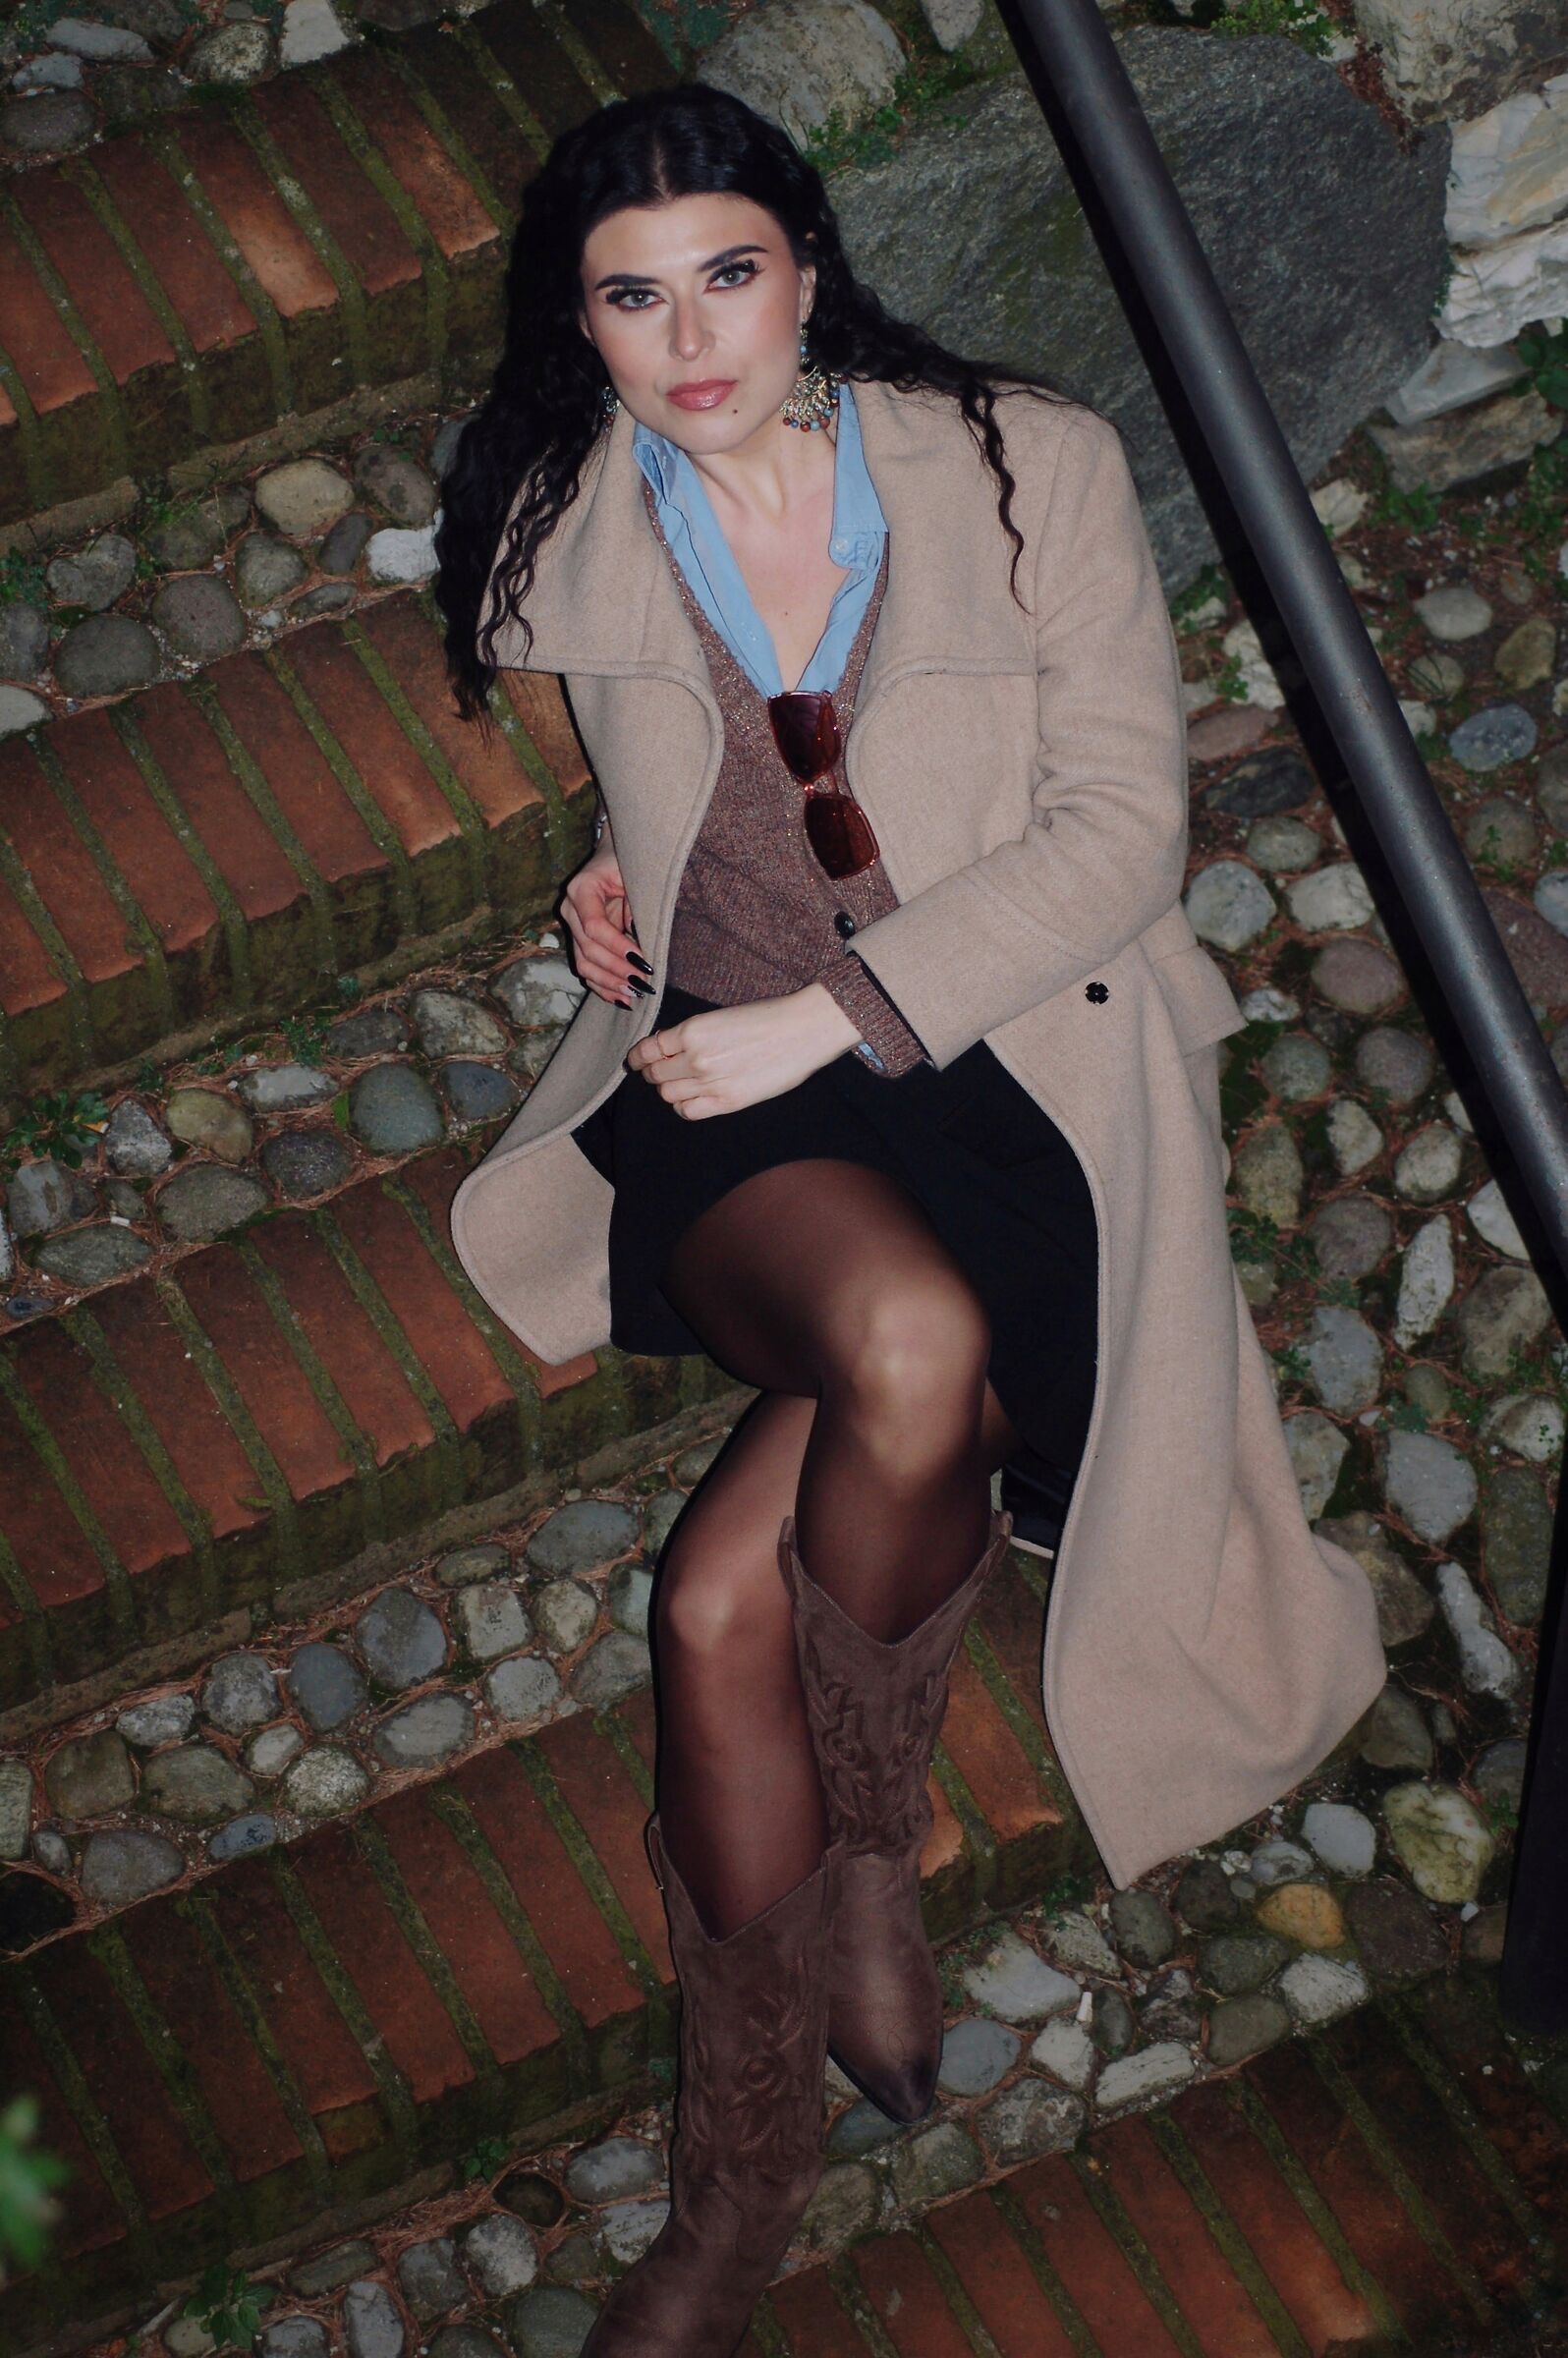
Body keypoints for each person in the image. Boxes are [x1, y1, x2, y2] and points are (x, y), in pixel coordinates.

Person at [435, 80, 1386, 2358]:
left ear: (808, 260)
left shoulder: (1013, 462)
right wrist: (624, 905)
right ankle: (762, 2138)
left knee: (707, 1615)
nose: (691, 339)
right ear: (583, 323)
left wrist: (850, 1005)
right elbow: (667, 798)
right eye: (630, 297)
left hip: (1026, 1074)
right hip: (737, 1099)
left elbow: (1124, 828)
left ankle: (821, 1969)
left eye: (728, 275)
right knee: (897, 1354)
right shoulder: (577, 512)